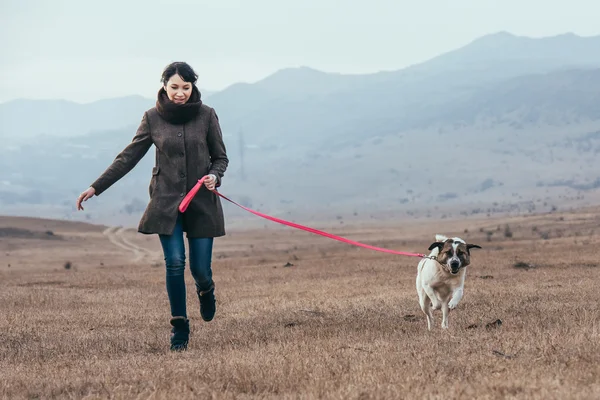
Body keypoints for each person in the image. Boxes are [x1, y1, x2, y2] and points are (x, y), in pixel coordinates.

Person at [76, 61, 229, 351]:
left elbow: (220, 157)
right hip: (165, 203)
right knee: (174, 263)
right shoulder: (152, 118)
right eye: (174, 87)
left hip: (202, 202)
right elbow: (128, 157)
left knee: (200, 270)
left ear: (192, 87)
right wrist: (96, 187)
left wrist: (214, 175)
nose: (180, 93)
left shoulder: (207, 116)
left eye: (186, 87)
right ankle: (179, 327)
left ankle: (206, 289)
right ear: (164, 86)